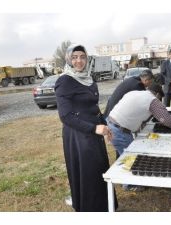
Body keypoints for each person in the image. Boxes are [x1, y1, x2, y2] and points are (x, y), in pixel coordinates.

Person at [55, 44, 115, 212]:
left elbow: (94, 107)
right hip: (78, 134)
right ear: (68, 59)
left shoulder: (89, 79)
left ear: (87, 59)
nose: (79, 61)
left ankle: (104, 206)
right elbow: (65, 116)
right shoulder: (64, 81)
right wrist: (94, 129)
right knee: (88, 172)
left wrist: (105, 124)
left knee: (99, 169)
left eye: (82, 57)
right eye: (74, 57)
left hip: (94, 130)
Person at [108, 83, 171, 158]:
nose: (159, 100)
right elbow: (168, 122)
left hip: (112, 125)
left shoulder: (135, 92)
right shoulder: (151, 99)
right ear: (157, 94)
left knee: (124, 157)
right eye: (159, 98)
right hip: (120, 132)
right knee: (131, 159)